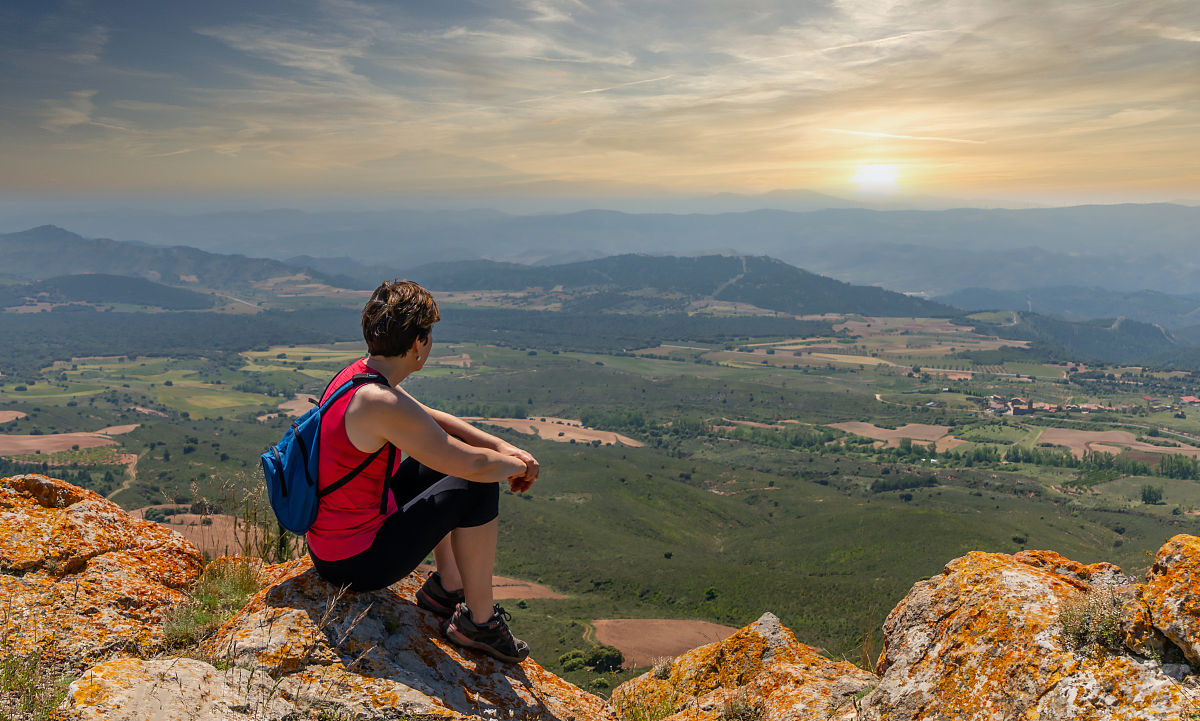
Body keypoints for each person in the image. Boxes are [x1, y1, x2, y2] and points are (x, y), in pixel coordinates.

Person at [306, 279, 539, 664]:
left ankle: (447, 590)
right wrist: (518, 467)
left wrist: (502, 448)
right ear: (418, 342)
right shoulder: (381, 401)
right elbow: (473, 465)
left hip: (332, 543)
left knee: (441, 465)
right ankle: (479, 623)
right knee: (477, 485)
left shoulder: (360, 376)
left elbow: (430, 419)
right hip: (354, 561)